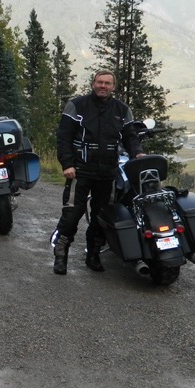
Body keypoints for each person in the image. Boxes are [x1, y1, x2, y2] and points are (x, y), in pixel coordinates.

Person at [52, 68, 145, 275]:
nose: (103, 86)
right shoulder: (77, 105)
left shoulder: (122, 109)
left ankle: (93, 254)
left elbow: (130, 136)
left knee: (101, 216)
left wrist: (138, 153)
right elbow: (63, 137)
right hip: (80, 171)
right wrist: (67, 164)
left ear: (114, 87)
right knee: (71, 214)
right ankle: (61, 255)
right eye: (99, 82)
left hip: (108, 173)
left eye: (107, 83)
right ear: (93, 84)